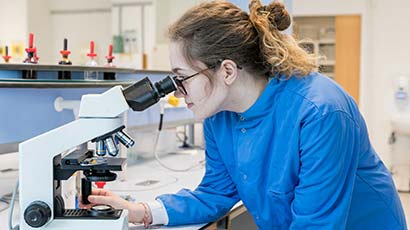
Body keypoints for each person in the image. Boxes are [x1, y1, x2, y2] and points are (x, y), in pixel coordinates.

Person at [81, 0, 407, 229]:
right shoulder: (219, 115)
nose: (178, 92)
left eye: (182, 78)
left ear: (227, 71)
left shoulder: (320, 111)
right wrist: (141, 211)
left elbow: (315, 224)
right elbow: (215, 193)